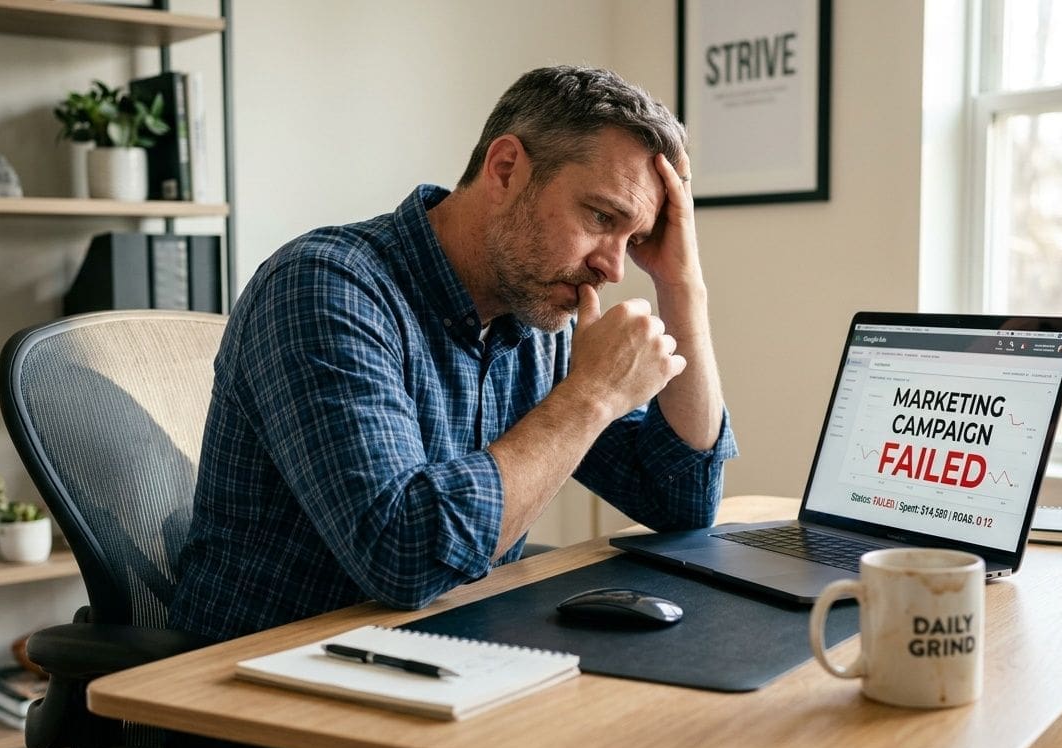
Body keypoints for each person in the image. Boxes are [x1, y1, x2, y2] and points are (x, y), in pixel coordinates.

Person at [168, 65, 737, 645]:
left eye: (635, 240)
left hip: (451, 654)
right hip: (262, 686)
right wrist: (591, 396)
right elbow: (404, 555)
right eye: (600, 217)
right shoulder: (324, 287)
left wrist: (682, 282)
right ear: (506, 168)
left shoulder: (537, 315)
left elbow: (682, 501)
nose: (613, 268)